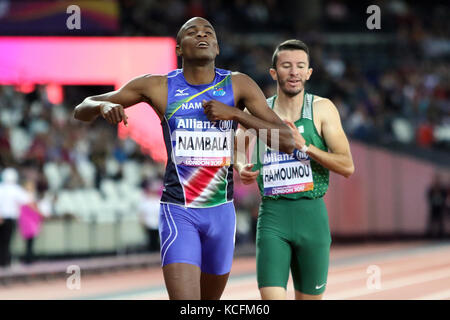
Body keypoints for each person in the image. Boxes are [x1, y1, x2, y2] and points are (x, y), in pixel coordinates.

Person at [74, 17, 294, 300]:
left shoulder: (238, 84)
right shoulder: (158, 86)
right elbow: (82, 108)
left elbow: (286, 141)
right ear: (179, 48)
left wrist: (237, 115)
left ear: (216, 48)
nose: (201, 35)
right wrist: (104, 105)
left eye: (208, 33)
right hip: (179, 212)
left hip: (222, 212)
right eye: (192, 32)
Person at [235, 39, 355, 300]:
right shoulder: (257, 110)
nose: (294, 72)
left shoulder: (322, 110)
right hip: (273, 217)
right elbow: (236, 147)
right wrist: (241, 165)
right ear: (274, 72)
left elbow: (347, 166)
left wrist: (307, 147)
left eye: (300, 66)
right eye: (286, 66)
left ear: (309, 73)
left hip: (312, 218)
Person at [0, 168, 33, 268]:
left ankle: (3, 261)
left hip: (2, 218)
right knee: (7, 242)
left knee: (2, 241)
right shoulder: (16, 189)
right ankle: (5, 262)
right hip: (9, 219)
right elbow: (28, 201)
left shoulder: (1, 188)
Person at [138, 180, 161, 252]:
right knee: (151, 240)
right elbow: (142, 213)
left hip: (157, 223)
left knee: (157, 241)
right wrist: (142, 222)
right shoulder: (145, 201)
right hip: (149, 223)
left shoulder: (159, 200)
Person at [426, 174, 447, 239]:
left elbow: (445, 196)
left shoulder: (442, 189)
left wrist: (442, 201)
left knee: (440, 221)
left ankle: (441, 235)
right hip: (433, 207)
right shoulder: (432, 188)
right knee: (432, 221)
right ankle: (430, 235)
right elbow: (429, 196)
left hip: (440, 207)